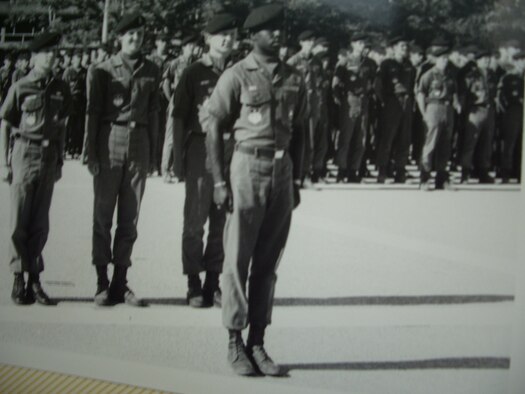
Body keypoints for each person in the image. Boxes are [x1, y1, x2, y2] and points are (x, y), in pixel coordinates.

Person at [206, 3, 306, 376]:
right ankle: (234, 340)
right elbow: (214, 127)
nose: (278, 35)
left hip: (282, 172)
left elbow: (300, 132)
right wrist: (219, 181)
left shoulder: (295, 77)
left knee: (268, 263)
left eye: (281, 28)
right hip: (247, 167)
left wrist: (296, 179)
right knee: (236, 260)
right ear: (253, 35)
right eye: (269, 30)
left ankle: (258, 341)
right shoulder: (235, 75)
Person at [85, 12, 160, 307]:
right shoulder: (102, 69)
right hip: (109, 140)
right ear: (119, 37)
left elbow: (155, 113)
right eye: (130, 34)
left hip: (139, 142)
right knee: (103, 216)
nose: (135, 38)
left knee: (130, 218)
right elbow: (91, 112)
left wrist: (153, 154)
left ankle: (121, 282)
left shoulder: (152, 69)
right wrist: (90, 151)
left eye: (139, 34)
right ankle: (102, 282)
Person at [171, 14, 238, 308]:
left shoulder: (238, 71)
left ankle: (214, 282)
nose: (227, 39)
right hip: (200, 149)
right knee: (195, 220)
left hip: (231, 150)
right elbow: (178, 116)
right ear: (208, 39)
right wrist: (176, 157)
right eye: (220, 35)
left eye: (231, 34)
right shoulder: (193, 72)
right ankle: (194, 283)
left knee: (223, 220)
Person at [0, 31, 70, 305]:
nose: (51, 57)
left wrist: (61, 159)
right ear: (33, 57)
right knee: (19, 219)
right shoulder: (20, 86)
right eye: (45, 53)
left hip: (48, 154)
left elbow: (62, 127)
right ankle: (18, 278)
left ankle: (35, 280)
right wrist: (3, 163)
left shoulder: (61, 88)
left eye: (54, 52)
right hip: (24, 153)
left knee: (41, 222)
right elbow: (5, 124)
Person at [332, 32, 376, 183]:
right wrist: (341, 102)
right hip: (349, 101)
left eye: (364, 43)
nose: (362, 45)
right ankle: (341, 170)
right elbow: (335, 85)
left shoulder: (369, 63)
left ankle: (353, 171)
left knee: (361, 139)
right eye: (359, 43)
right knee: (346, 137)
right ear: (353, 44)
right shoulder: (344, 62)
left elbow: (372, 82)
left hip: (364, 101)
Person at [416, 47, 460, 190]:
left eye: (446, 58)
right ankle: (424, 178)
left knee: (445, 145)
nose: (445, 61)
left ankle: (441, 179)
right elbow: (421, 93)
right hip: (433, 108)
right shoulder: (428, 75)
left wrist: (456, 104)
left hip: (447, 110)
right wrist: (424, 113)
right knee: (430, 144)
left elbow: (454, 92)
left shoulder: (450, 75)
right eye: (442, 58)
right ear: (435, 59)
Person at [374, 36, 416, 183]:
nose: (405, 50)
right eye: (401, 47)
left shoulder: (409, 65)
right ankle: (383, 170)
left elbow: (412, 85)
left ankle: (400, 170)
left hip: (406, 102)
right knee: (387, 137)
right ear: (394, 48)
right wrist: (384, 102)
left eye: (406, 47)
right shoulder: (386, 64)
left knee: (404, 138)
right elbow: (378, 85)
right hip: (392, 101)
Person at [161, 34, 199, 182]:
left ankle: (177, 169)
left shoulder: (197, 64)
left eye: (195, 46)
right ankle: (165, 170)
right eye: (191, 46)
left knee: (186, 137)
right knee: (171, 137)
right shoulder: (176, 63)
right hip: (177, 102)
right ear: (184, 48)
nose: (194, 48)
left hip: (192, 104)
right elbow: (165, 82)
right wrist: (171, 99)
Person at [459, 49, 498, 183]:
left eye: (488, 58)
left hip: (489, 110)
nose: (487, 61)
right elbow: (464, 95)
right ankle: (465, 172)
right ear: (477, 61)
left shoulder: (492, 75)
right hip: (475, 110)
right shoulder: (471, 76)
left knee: (487, 143)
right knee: (470, 142)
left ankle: (483, 172)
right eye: (483, 59)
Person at [287, 30, 318, 185]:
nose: (311, 44)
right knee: (297, 139)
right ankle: (296, 174)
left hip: (313, 105)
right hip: (298, 105)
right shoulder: (293, 61)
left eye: (312, 41)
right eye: (307, 41)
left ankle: (306, 173)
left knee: (311, 140)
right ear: (301, 43)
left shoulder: (316, 61)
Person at [496, 51, 524, 183]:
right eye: (521, 61)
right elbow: (500, 98)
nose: (523, 64)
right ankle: (505, 172)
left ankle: (519, 173)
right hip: (513, 112)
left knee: (521, 144)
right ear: (516, 62)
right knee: (509, 143)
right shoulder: (508, 78)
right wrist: (506, 112)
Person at [63, 50, 87, 159]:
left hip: (81, 102)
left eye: (80, 58)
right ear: (72, 60)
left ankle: (77, 149)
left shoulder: (84, 72)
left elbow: (87, 87)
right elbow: (64, 87)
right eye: (76, 58)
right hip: (70, 101)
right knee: (69, 126)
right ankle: (66, 148)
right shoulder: (68, 71)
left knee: (79, 126)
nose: (78, 61)